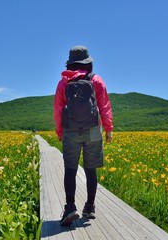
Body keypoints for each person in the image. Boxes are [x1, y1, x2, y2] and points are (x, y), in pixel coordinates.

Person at [53, 45, 113, 226]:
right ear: (88, 63)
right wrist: (108, 129)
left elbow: (57, 109)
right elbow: (104, 106)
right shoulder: (96, 80)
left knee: (70, 170)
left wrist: (59, 131)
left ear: (70, 63)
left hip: (71, 131)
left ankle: (70, 207)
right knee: (90, 169)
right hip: (93, 131)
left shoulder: (64, 82)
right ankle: (90, 207)